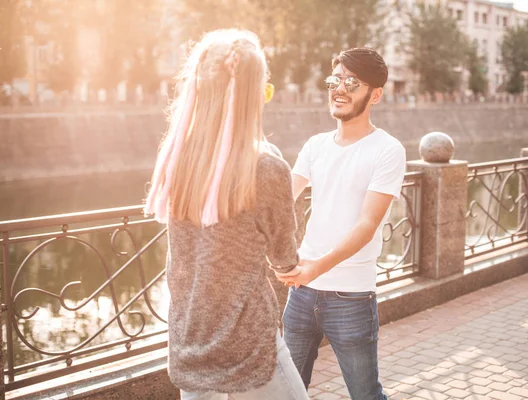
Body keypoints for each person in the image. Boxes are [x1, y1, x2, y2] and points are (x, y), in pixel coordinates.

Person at [144, 29, 309, 400]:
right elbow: (283, 254)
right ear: (252, 95)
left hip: (190, 332)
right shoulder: (265, 166)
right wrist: (292, 269)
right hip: (244, 338)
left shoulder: (176, 159)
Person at [276, 48, 406, 400]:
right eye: (335, 80)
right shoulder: (316, 145)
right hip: (301, 293)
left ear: (375, 94)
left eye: (352, 82)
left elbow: (367, 225)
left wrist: (315, 268)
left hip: (351, 296)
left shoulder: (387, 149)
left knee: (366, 395)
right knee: (286, 393)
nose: (340, 88)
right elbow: (279, 199)